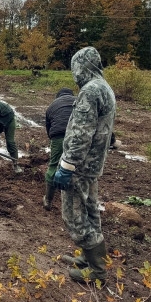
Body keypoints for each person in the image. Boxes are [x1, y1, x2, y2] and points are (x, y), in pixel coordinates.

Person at [52, 47, 116, 284]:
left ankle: (97, 271)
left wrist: (67, 165)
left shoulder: (90, 91)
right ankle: (89, 259)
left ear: (82, 67)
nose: (74, 75)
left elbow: (81, 133)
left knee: (74, 217)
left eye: (75, 69)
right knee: (91, 211)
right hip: (93, 165)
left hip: (79, 166)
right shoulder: (105, 88)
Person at [43, 88, 75, 210]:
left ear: (58, 96)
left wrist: (53, 140)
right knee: (78, 166)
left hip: (58, 136)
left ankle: (48, 200)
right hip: (77, 136)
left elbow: (48, 127)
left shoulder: (52, 105)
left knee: (54, 165)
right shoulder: (79, 101)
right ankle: (77, 200)